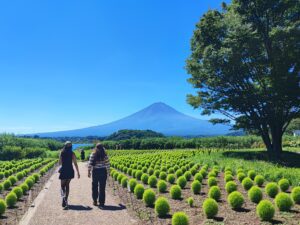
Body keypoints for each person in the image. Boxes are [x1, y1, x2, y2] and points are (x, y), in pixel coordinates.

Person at [59, 141, 80, 209]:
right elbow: (75, 163)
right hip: (70, 170)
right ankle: (65, 200)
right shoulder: (72, 153)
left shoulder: (62, 153)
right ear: (71, 147)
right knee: (67, 185)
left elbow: (59, 163)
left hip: (64, 170)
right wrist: (78, 172)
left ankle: (64, 200)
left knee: (62, 186)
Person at [88, 143, 110, 207]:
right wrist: (108, 172)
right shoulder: (105, 155)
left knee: (94, 186)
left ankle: (95, 200)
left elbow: (90, 164)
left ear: (96, 147)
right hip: (103, 171)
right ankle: (101, 202)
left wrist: (88, 172)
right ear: (102, 148)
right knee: (102, 187)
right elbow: (108, 164)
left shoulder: (93, 154)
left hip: (95, 172)